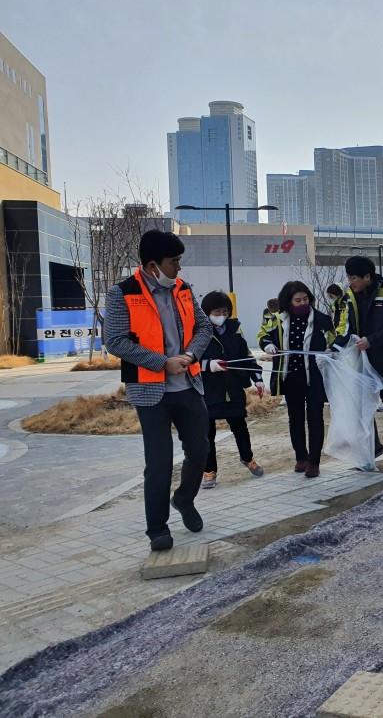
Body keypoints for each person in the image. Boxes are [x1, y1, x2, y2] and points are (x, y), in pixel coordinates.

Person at [103, 230, 212, 551]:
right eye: (173, 262)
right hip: (150, 392)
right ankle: (157, 528)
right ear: (153, 266)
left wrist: (190, 355)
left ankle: (184, 499)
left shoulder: (182, 289)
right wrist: (163, 362)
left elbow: (204, 327)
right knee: (159, 460)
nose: (178, 268)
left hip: (188, 386)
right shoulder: (122, 293)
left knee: (200, 449)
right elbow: (116, 341)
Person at [336, 256, 383, 472]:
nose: (351, 282)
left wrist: (372, 340)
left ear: (368, 277)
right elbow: (344, 327)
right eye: (349, 277)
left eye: (355, 277)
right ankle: (373, 448)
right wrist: (334, 348)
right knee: (364, 410)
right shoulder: (349, 297)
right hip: (365, 364)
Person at [260, 281, 335, 478]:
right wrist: (267, 345)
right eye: (297, 300)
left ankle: (314, 461)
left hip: (315, 378)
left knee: (315, 418)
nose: (302, 303)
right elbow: (263, 336)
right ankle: (301, 457)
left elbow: (334, 340)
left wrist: (330, 351)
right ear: (288, 302)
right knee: (295, 419)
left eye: (305, 299)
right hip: (291, 376)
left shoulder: (322, 319)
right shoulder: (278, 320)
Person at [198, 290, 265, 489]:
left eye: (225, 311)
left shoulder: (235, 331)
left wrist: (258, 377)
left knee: (240, 428)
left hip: (233, 387)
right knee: (206, 433)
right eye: (217, 311)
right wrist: (208, 365)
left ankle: (248, 458)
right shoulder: (199, 332)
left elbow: (246, 357)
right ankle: (209, 471)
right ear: (207, 312)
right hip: (209, 390)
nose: (221, 315)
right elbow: (190, 359)